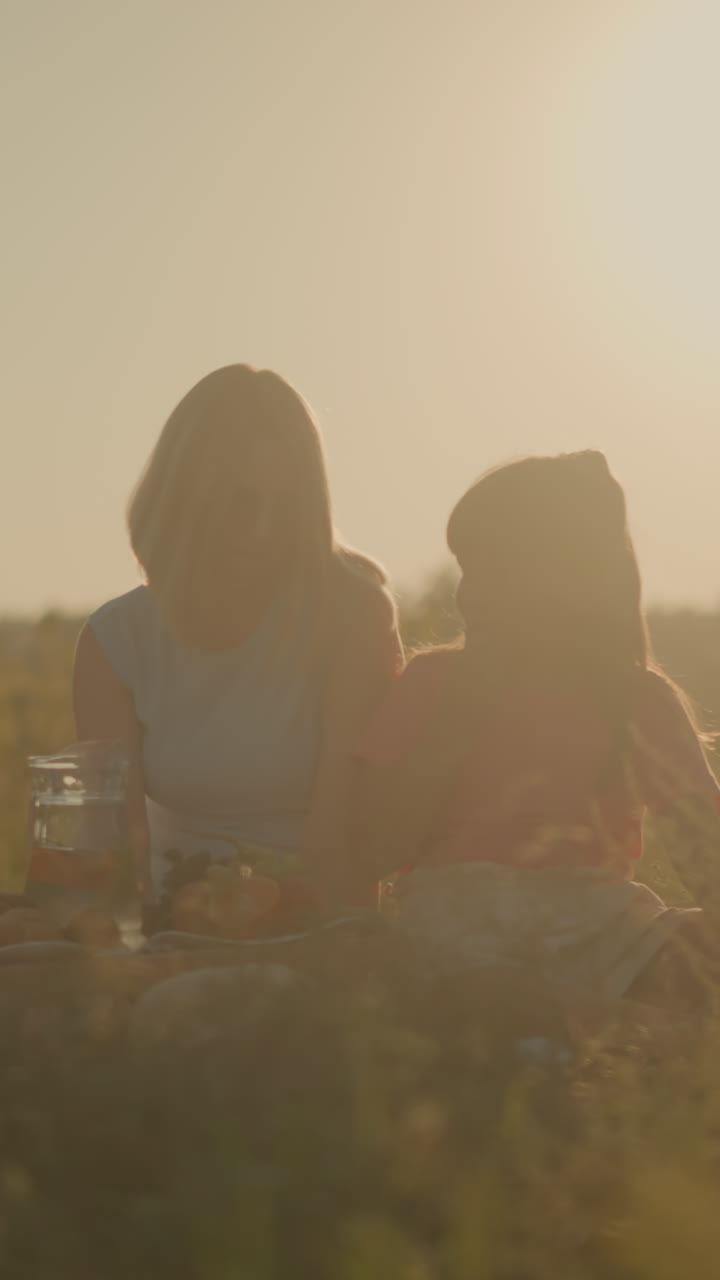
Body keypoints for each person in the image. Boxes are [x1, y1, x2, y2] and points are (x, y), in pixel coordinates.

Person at [351, 451, 720, 1008]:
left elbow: (705, 848)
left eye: (500, 573)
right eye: (467, 570)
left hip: (602, 926)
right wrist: (453, 727)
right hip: (457, 926)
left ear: (581, 583)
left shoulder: (634, 700)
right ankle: (603, 1025)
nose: (471, 594)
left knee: (694, 944)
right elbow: (374, 846)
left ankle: (582, 1022)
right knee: (469, 989)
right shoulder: (434, 683)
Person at [73, 364, 402, 904]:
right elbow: (114, 847)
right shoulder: (116, 640)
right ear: (186, 500)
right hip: (167, 916)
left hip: (308, 916)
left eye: (286, 507)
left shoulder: (353, 615)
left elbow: (336, 837)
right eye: (241, 503)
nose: (263, 531)